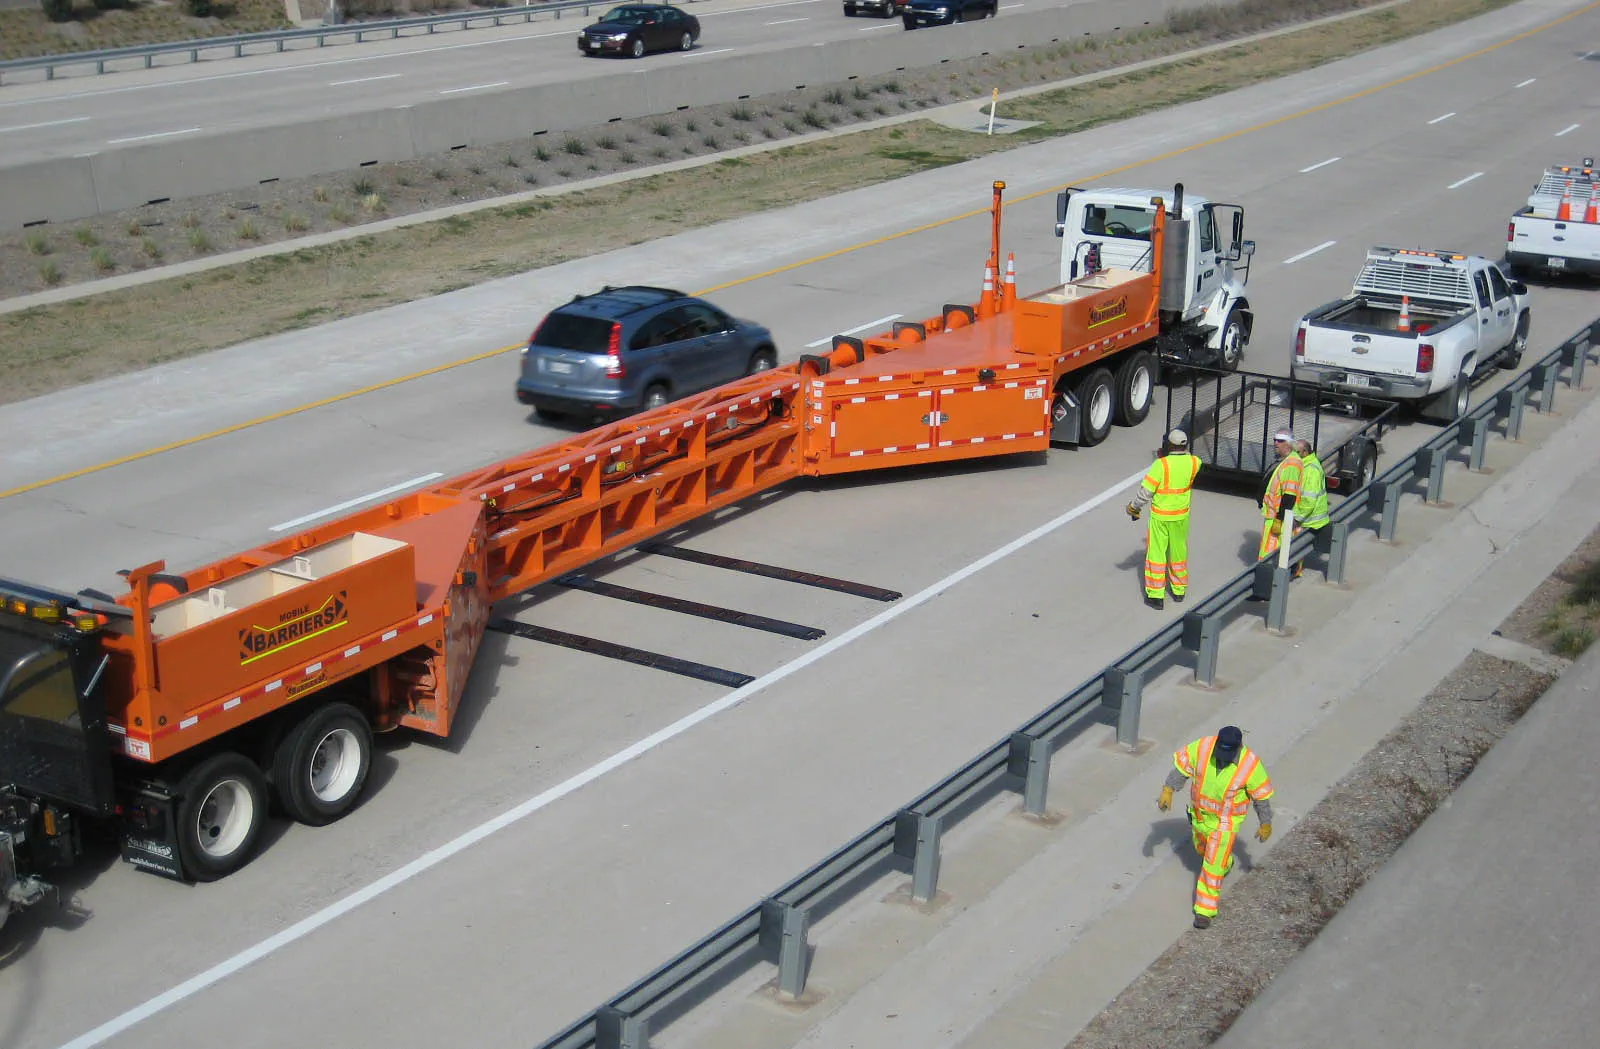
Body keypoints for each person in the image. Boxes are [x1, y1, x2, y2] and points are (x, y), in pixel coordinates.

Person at [1158, 725, 1274, 929]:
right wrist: (1168, 789)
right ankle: (1225, 863)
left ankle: (1205, 911)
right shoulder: (1203, 748)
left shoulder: (1250, 765)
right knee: (1203, 851)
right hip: (1200, 817)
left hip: (1225, 823)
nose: (1222, 756)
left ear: (1238, 748)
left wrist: (1265, 822)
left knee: (1211, 866)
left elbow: (1261, 798)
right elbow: (1182, 770)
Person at [1126, 429, 1202, 610]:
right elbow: (1189, 458)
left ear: (1169, 445)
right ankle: (1179, 590)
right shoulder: (1194, 462)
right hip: (1181, 516)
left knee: (1157, 554)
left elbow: (1146, 492)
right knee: (1178, 552)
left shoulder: (1161, 465)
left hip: (1161, 517)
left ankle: (1156, 595)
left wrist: (1134, 507)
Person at [1258, 431, 1303, 562]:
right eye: (1275, 439)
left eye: (1280, 440)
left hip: (1279, 518)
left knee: (1269, 555)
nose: (1275, 443)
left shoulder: (1292, 464)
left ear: (1288, 444)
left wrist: (1279, 518)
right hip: (1277, 516)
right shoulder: (1287, 461)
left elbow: (1289, 495)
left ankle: (1268, 578)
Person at [1291, 438, 1330, 579]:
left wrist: (1297, 518)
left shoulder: (1311, 471)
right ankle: (1295, 567)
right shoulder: (1307, 465)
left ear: (1305, 452)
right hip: (1310, 515)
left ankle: (1295, 569)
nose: (1294, 455)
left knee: (1295, 542)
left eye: (1297, 452)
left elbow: (1308, 500)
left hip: (1309, 518)